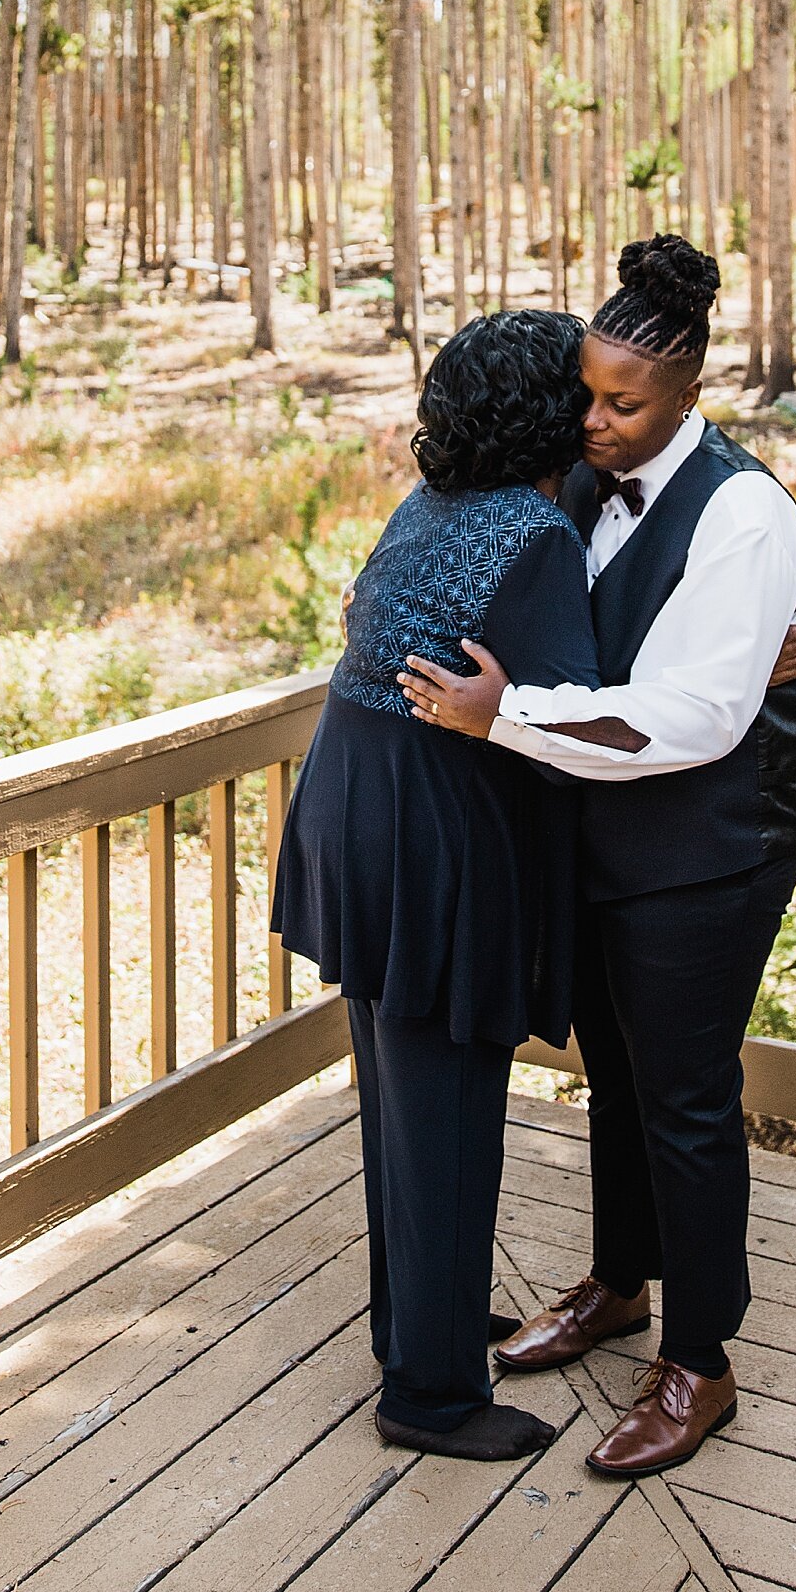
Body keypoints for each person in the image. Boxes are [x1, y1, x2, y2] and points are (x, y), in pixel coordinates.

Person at [401, 235, 796, 1481]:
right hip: (599, 831)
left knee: (687, 1094)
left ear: (693, 390)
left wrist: (511, 720)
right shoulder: (583, 482)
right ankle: (618, 1285)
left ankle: (701, 1360)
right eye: (587, 395)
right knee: (613, 1069)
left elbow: (693, 719)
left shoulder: (747, 514)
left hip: (709, 844)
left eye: (623, 403)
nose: (592, 421)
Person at [271, 307, 602, 1464]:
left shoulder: (426, 506)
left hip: (352, 805)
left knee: (402, 1106)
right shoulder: (539, 536)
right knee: (451, 1110)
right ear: (551, 414)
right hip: (433, 834)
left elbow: (367, 619)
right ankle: (431, 1394)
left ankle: (423, 1326)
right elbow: (576, 712)